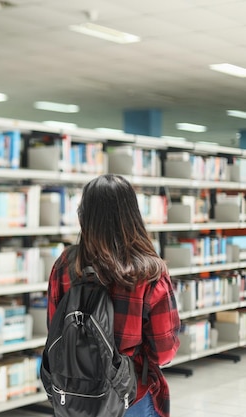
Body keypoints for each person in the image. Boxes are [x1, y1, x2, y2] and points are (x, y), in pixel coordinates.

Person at [46, 174, 181, 417]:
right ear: (132, 215)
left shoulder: (65, 264)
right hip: (130, 395)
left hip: (75, 396)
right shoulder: (150, 272)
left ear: (83, 215)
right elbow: (164, 351)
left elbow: (55, 330)